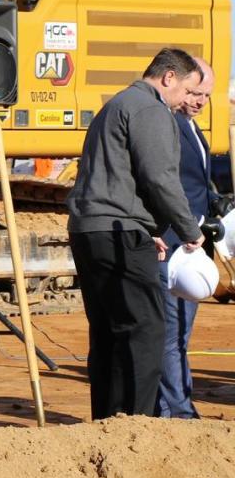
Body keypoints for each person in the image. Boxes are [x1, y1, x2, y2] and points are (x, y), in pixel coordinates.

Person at [67, 47, 205, 421]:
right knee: (145, 331)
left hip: (93, 228)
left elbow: (117, 179)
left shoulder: (117, 105)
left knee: (110, 332)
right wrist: (190, 231)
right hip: (117, 233)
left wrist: (149, 228)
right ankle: (136, 427)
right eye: (188, 89)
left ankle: (109, 422)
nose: (186, 101)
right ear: (169, 77)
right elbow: (160, 177)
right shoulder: (149, 108)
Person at [156, 57, 228, 418]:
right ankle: (176, 412)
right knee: (171, 334)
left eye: (206, 95)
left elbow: (193, 182)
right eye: (195, 92)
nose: (200, 100)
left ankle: (175, 406)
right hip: (174, 244)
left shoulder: (190, 125)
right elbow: (167, 184)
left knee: (180, 334)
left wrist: (215, 203)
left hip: (191, 243)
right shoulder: (168, 124)